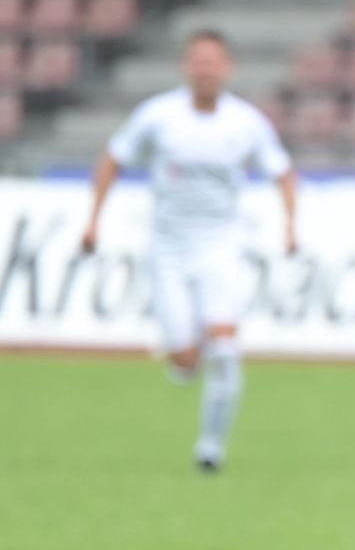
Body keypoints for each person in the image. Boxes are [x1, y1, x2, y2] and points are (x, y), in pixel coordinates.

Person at [80, 29, 297, 472]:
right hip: (168, 249)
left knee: (225, 346)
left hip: (221, 245)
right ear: (187, 67)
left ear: (227, 68)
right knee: (185, 362)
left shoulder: (245, 122)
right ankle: (187, 351)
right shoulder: (159, 115)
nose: (206, 69)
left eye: (213, 61)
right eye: (198, 61)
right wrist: (93, 219)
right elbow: (113, 158)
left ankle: (210, 449)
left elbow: (283, 171)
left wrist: (290, 226)